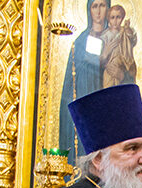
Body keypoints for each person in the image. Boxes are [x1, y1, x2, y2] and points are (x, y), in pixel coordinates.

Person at [58, 0, 110, 165]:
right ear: (89, 10)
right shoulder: (82, 41)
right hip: (88, 96)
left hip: (109, 101)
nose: (98, 11)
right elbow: (73, 78)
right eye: (95, 6)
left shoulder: (117, 36)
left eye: (102, 6)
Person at [100, 5, 137, 88]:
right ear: (108, 19)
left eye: (118, 17)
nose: (115, 21)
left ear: (122, 18)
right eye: (112, 17)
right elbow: (98, 60)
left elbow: (132, 37)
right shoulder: (105, 36)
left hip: (123, 66)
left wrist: (127, 28)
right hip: (109, 70)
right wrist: (105, 53)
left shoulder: (125, 31)